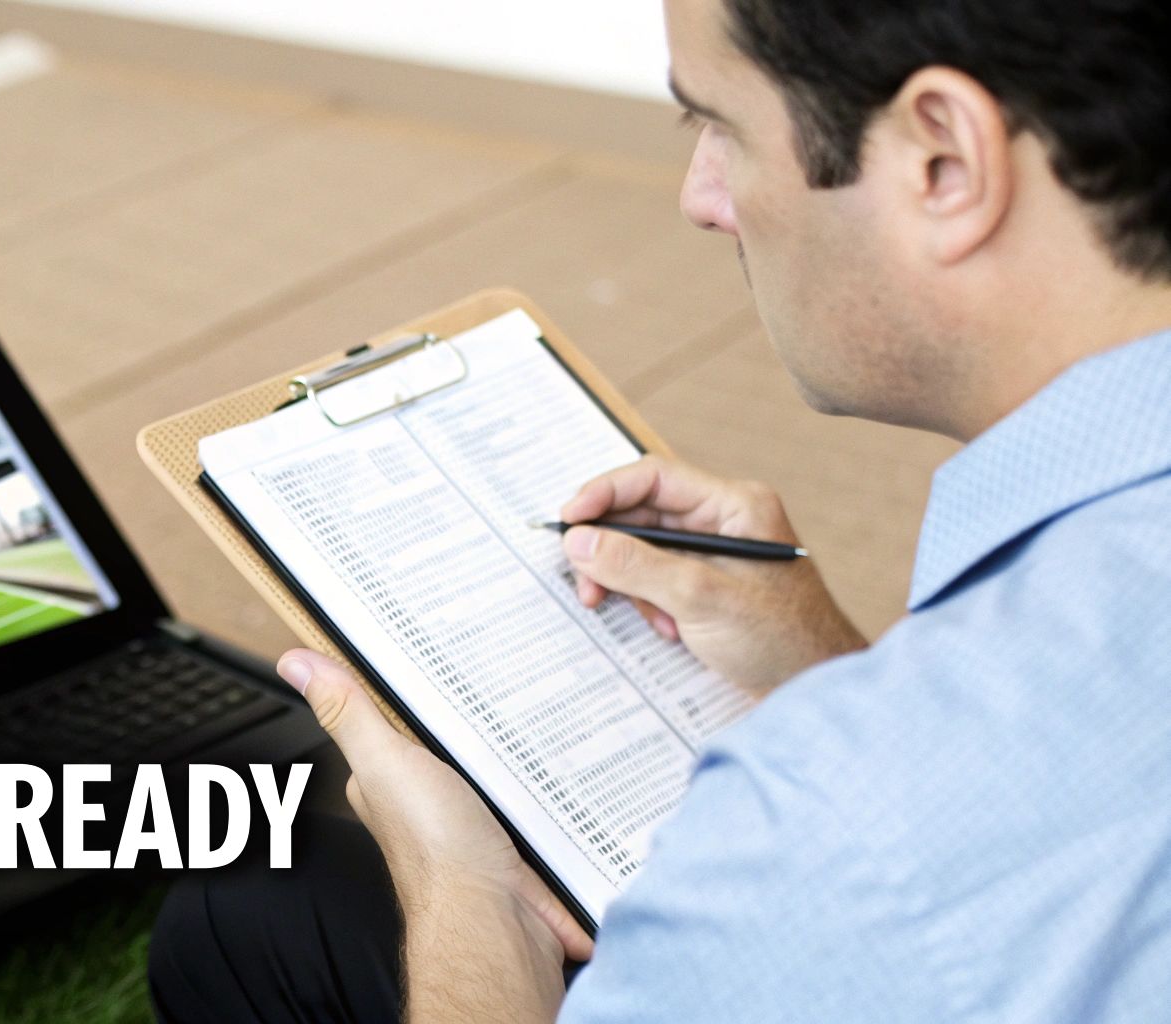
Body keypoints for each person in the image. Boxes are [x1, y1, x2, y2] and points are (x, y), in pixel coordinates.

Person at [147, 0, 1171, 1020]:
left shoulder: (834, 824)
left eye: (720, 125)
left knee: (244, 921)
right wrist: (828, 666)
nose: (699, 198)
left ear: (941, 161)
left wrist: (461, 886)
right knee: (293, 894)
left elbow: (925, 840)